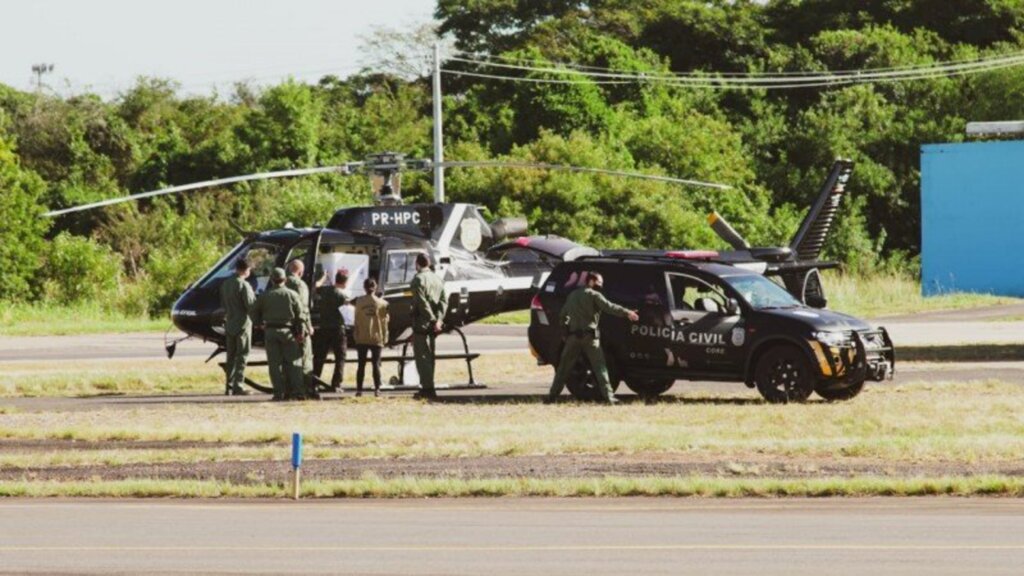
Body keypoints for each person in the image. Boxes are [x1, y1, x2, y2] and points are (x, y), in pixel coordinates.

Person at [546, 272, 640, 405]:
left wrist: (566, 332)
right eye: (599, 282)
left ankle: (551, 397)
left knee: (563, 369)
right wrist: (627, 312)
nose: (601, 285)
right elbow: (609, 307)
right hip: (590, 338)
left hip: (573, 338)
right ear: (591, 281)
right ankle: (609, 398)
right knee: (600, 368)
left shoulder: (572, 295)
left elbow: (562, 316)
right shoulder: (594, 295)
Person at [251, 267, 305, 401]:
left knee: (274, 364)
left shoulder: (264, 295)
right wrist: (301, 332)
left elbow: (253, 311)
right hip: (288, 331)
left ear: (272, 280)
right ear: (285, 280)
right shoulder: (292, 294)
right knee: (293, 362)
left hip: (270, 331)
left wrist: (259, 324)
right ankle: (297, 392)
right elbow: (300, 315)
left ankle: (278, 393)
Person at [409, 253, 447, 400]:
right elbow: (444, 301)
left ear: (417, 263)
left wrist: (431, 319)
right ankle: (429, 385)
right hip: (434, 325)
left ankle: (427, 388)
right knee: (430, 357)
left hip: (422, 323)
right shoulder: (438, 279)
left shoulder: (418, 280)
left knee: (422, 357)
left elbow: (421, 302)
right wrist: (439, 320)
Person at [219, 258, 256, 396]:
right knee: (242, 355)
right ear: (246, 270)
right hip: (243, 324)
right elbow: (251, 306)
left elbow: (223, 304)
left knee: (231, 356)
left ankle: (229, 385)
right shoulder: (244, 285)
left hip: (230, 323)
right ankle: (238, 386)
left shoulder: (226, 284)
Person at [285, 259, 317, 399]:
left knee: (288, 360)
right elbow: (303, 309)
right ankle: (306, 389)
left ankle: (289, 388)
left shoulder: (281, 282)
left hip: (285, 327)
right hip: (298, 327)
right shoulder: (300, 285)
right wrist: (305, 328)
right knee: (305, 359)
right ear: (300, 271)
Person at [314, 270, 350, 392]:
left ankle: (315, 381)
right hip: (338, 329)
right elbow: (349, 306)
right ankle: (336, 384)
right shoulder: (341, 295)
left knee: (320, 356)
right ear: (345, 282)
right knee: (340, 357)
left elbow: (316, 285)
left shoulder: (325, 290)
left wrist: (323, 276)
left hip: (324, 327)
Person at [353, 277, 389, 397]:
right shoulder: (382, 303)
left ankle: (359, 389)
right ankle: (377, 388)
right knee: (376, 364)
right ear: (375, 287)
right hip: (376, 336)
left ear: (364, 288)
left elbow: (356, 318)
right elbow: (385, 321)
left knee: (361, 364)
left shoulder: (359, 301)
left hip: (362, 336)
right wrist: (385, 337)